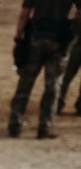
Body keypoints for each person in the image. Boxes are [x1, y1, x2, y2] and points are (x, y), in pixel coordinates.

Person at [7, 0, 81, 138]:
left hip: (35, 38)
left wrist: (18, 38)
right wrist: (73, 31)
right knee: (53, 86)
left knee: (25, 82)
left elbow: (24, 14)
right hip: (59, 41)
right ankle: (45, 126)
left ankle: (15, 123)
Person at [56, 14, 81, 114]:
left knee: (66, 75)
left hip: (76, 41)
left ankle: (57, 103)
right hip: (76, 41)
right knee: (66, 75)